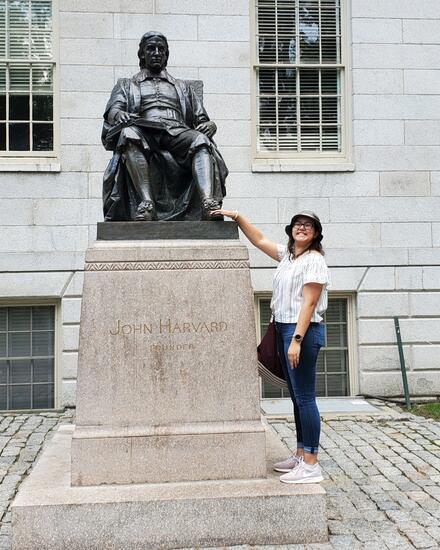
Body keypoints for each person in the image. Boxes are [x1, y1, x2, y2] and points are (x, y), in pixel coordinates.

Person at [212, 208, 330, 484]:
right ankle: (301, 454)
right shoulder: (289, 257)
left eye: (308, 226)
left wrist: (296, 340)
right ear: (291, 230)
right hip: (282, 328)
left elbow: (310, 303)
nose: (302, 228)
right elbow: (260, 240)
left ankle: (311, 463)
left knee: (305, 398)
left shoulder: (314, 260)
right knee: (296, 398)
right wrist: (238, 217)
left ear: (315, 234)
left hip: (302, 330)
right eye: (297, 224)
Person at [101, 31, 227, 222]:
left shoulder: (183, 87)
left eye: (162, 49)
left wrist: (211, 125)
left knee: (201, 139)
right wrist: (119, 114)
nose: (157, 53)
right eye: (151, 48)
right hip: (144, 131)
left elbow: (202, 119)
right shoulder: (127, 84)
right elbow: (113, 109)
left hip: (176, 131)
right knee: (127, 134)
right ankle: (146, 204)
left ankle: (208, 204)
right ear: (142, 54)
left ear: (166, 55)